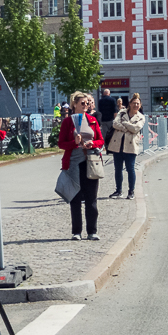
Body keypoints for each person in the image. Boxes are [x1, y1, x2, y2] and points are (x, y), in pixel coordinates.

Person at [58, 91, 104, 240]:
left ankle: (92, 231)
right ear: (74, 105)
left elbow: (101, 140)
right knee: (75, 199)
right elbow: (61, 144)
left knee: (91, 198)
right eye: (82, 103)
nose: (86, 106)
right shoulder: (67, 122)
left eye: (87, 103)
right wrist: (74, 143)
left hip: (90, 162)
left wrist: (93, 144)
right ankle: (76, 232)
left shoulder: (92, 120)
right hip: (73, 164)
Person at [107, 93, 145, 200]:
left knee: (130, 169)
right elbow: (115, 124)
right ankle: (118, 190)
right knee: (118, 169)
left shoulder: (141, 117)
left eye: (138, 104)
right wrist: (127, 128)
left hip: (131, 146)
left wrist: (125, 124)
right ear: (130, 104)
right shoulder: (122, 112)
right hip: (117, 145)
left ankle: (131, 191)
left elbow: (135, 129)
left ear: (140, 105)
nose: (136, 105)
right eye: (134, 103)